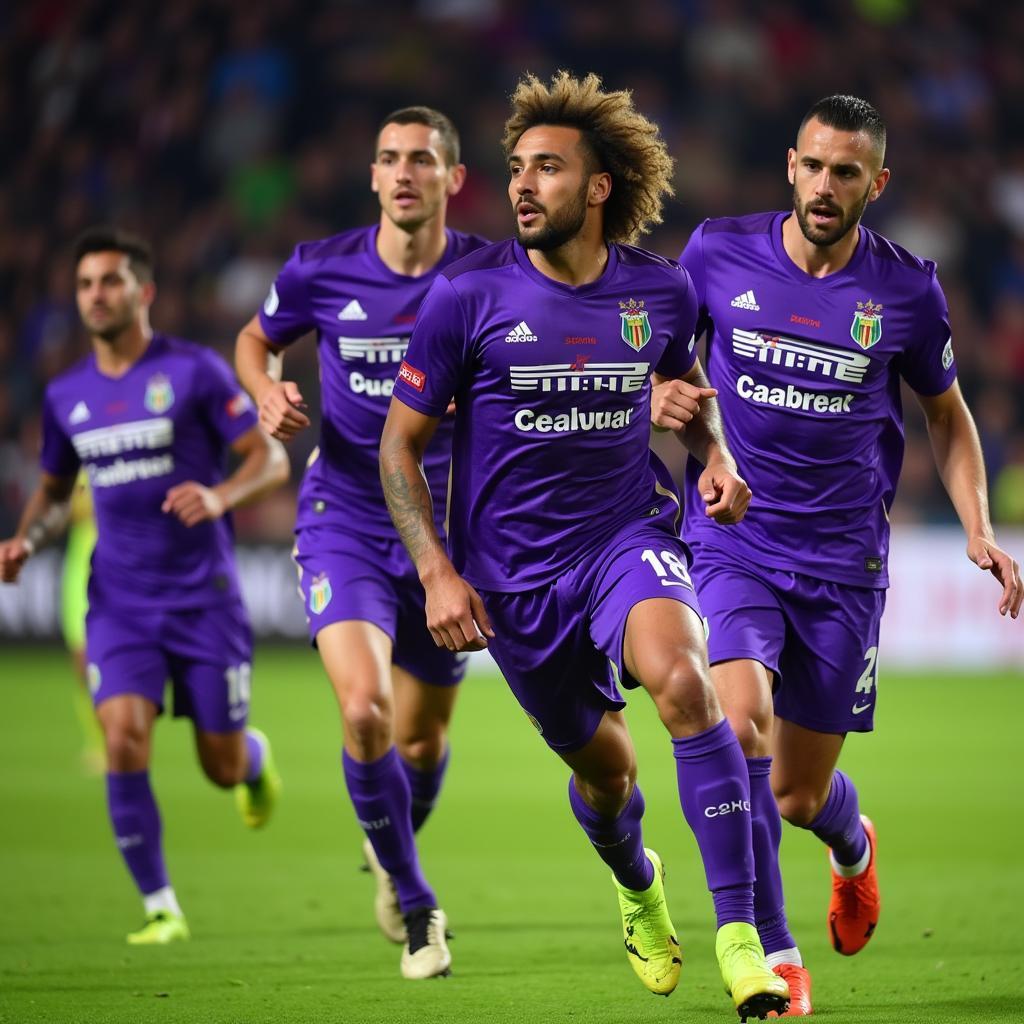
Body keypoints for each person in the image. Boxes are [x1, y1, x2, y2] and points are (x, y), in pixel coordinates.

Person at [379, 71, 790, 1020]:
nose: (523, 185)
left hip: (624, 538)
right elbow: (397, 444)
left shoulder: (661, 290)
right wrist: (437, 572)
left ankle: (744, 942)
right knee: (609, 779)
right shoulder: (466, 297)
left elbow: (688, 399)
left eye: (548, 169)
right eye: (517, 169)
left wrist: (716, 457)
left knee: (688, 685)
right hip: (513, 586)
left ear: (598, 187)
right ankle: (638, 883)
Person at [652, 94, 1022, 1016]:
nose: (826, 186)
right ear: (790, 165)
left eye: (847, 172)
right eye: (814, 167)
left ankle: (853, 844)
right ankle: (775, 956)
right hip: (733, 538)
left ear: (876, 183)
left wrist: (976, 524)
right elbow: (666, 362)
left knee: (796, 791)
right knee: (736, 730)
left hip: (843, 564)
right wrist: (672, 406)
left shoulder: (906, 289)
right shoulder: (715, 253)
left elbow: (948, 415)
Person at [234, 106, 487, 980]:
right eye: (389, 159)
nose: (405, 172)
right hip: (343, 517)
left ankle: (390, 850)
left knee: (419, 742)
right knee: (364, 711)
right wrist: (264, 393)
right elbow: (254, 339)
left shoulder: (489, 273)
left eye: (423, 159)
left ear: (454, 179)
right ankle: (418, 909)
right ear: (373, 179)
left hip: (448, 536)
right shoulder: (321, 268)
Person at [0, 227, 289, 944]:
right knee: (123, 736)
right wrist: (26, 540)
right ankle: (161, 905)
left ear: (144, 291)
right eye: (86, 284)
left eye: (110, 281)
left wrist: (221, 497)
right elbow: (54, 491)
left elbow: (270, 458)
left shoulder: (193, 372)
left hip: (204, 599)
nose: (96, 295)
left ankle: (253, 761)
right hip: (120, 603)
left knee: (219, 768)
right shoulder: (67, 395)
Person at [61, 470, 104, 773]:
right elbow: (60, 506)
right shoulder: (75, 455)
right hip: (80, 563)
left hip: (116, 558)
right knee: (81, 661)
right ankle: (99, 744)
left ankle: (116, 739)